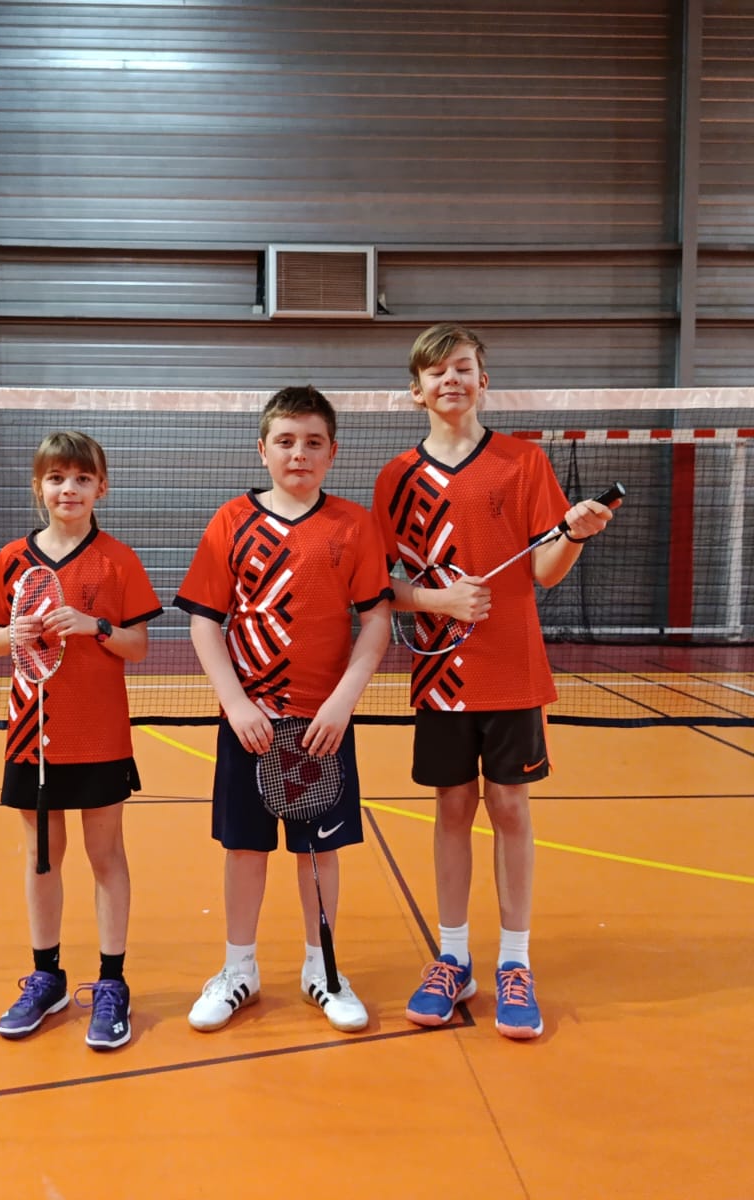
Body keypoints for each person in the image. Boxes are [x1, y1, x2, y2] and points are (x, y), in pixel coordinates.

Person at [372, 324, 617, 1040]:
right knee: (452, 808)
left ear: (483, 381)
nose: (452, 380)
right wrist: (436, 602)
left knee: (508, 806)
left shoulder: (523, 462)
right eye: (437, 371)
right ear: (416, 390)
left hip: (510, 669)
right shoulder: (397, 477)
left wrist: (573, 534)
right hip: (440, 672)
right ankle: (454, 958)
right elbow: (382, 584)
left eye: (464, 368)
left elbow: (542, 573)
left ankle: (515, 961)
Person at [175, 385, 392, 1034]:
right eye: (286, 441)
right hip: (251, 724)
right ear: (262, 449)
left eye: (314, 442)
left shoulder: (353, 525)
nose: (299, 453)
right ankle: (237, 969)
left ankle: (321, 967)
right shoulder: (230, 521)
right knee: (244, 848)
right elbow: (205, 624)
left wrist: (344, 701)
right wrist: (234, 702)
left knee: (319, 852)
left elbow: (377, 619)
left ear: (333, 453)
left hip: (322, 727)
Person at [0, 432, 162, 1051]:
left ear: (100, 488)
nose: (69, 489)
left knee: (105, 855)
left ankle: (112, 983)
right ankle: (46, 976)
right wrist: (15, 630)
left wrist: (95, 626)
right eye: (57, 479)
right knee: (42, 857)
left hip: (101, 734)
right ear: (39, 488)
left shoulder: (119, 560)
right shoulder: (11, 560)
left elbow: (137, 646)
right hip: (31, 736)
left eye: (82, 480)